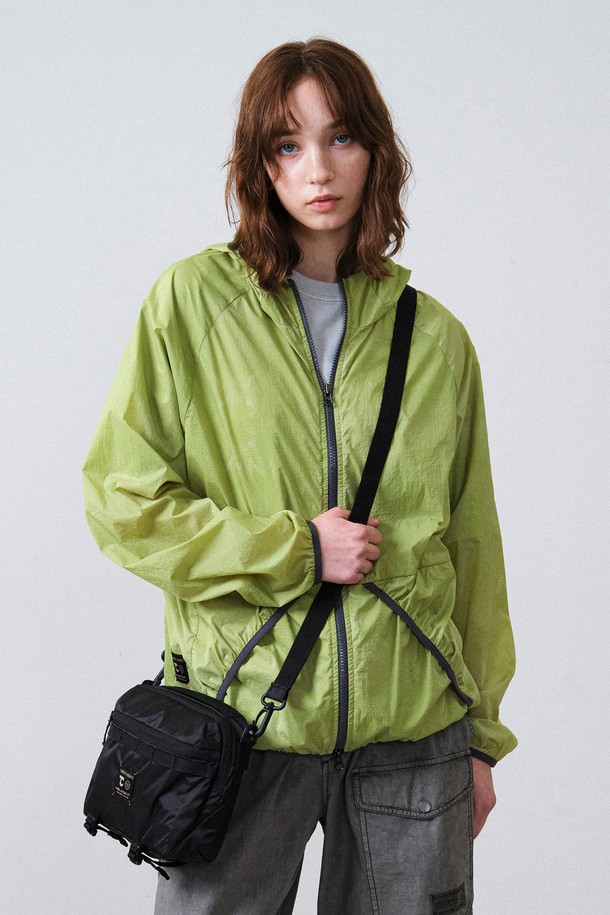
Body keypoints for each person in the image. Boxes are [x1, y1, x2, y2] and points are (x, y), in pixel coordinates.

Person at [83, 37, 516, 915]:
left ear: (376, 152)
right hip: (243, 724)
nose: (318, 168)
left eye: (341, 137)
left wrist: (480, 738)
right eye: (288, 144)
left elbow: (473, 545)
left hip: (413, 736)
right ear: (258, 163)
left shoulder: (436, 340)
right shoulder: (192, 305)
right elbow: (123, 503)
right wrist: (296, 550)